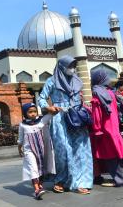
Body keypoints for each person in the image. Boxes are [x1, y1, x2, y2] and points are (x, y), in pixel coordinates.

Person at [38, 55, 93, 195]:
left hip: (76, 118)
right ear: (62, 66)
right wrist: (48, 108)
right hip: (60, 119)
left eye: (73, 66)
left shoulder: (76, 81)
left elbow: (79, 98)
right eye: (69, 66)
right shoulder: (52, 81)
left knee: (80, 150)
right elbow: (42, 98)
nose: (72, 69)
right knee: (63, 150)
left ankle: (81, 182)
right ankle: (61, 180)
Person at [90, 69, 123, 187]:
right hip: (114, 127)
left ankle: (119, 180)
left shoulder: (97, 93)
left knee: (110, 156)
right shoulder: (111, 92)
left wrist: (96, 129)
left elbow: (97, 115)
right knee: (118, 155)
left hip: (105, 129)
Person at [18, 103, 56, 200]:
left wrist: (54, 108)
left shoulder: (41, 121)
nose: (33, 114)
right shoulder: (22, 125)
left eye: (34, 111)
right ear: (25, 113)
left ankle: (40, 184)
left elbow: (51, 114)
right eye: (30, 112)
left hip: (41, 150)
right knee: (33, 168)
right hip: (29, 151)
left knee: (42, 167)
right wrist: (19, 148)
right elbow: (20, 138)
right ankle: (36, 190)